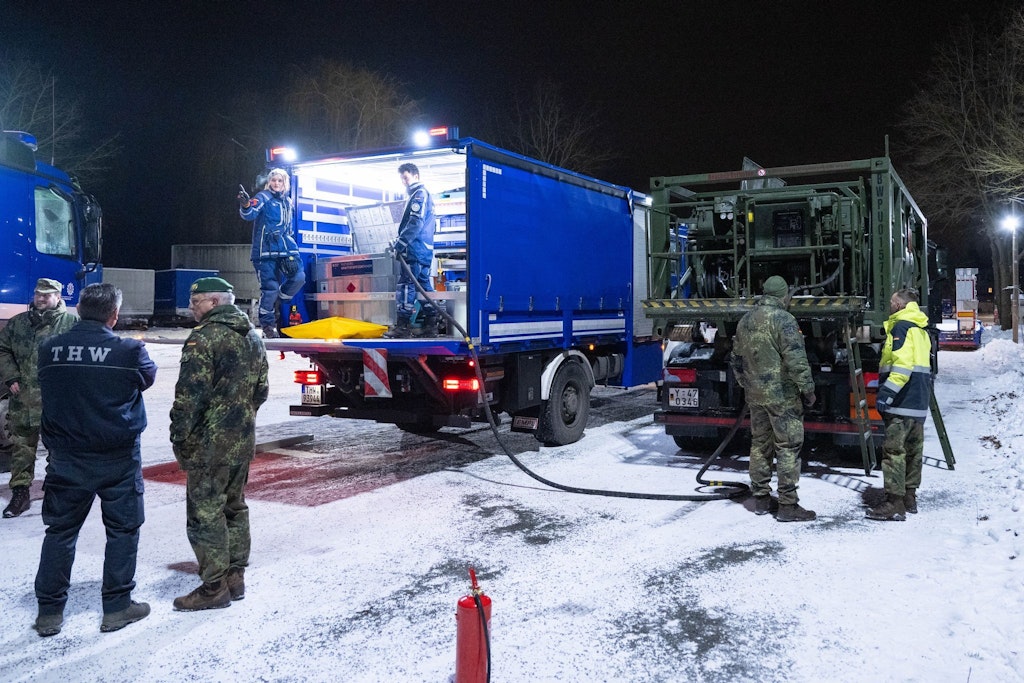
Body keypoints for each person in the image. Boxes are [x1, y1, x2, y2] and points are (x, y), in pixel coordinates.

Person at [32, 283, 157, 636]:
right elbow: (146, 379)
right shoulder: (130, 350)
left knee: (60, 532)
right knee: (122, 531)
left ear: (79, 310)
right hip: (117, 459)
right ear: (113, 316)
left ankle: (50, 613)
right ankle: (117, 607)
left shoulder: (49, 347)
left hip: (66, 458)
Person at [170, 277, 269, 611]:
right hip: (242, 439)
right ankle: (234, 577)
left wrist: (180, 436)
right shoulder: (253, 337)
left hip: (209, 444)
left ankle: (213, 587)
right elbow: (261, 390)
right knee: (234, 506)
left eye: (196, 301)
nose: (191, 307)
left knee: (205, 514)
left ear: (214, 303)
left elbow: (189, 397)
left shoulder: (203, 339)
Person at [731, 275, 817, 522]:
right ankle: (788, 506)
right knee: (788, 447)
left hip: (755, 396)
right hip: (782, 396)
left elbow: (736, 359)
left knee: (760, 444)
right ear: (783, 296)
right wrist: (808, 390)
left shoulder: (745, 321)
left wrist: (746, 385)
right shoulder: (784, 320)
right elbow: (796, 359)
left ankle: (760, 500)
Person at [1, 278, 78, 519]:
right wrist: (10, 376)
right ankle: (20, 492)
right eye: (38, 294)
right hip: (24, 399)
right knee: (22, 448)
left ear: (58, 296)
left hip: (57, 401)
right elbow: (3, 349)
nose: (41, 298)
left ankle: (55, 490)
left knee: (58, 448)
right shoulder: (19, 323)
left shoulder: (72, 323)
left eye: (47, 294)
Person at [867, 288, 933, 521]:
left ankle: (894, 503)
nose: (890, 306)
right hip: (918, 401)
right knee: (914, 451)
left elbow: (902, 367)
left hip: (902, 400)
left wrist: (886, 394)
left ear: (900, 305)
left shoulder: (901, 327)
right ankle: (909, 497)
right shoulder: (920, 328)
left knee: (894, 451)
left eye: (893, 302)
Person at [239, 167, 305, 339]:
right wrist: (246, 204)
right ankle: (268, 325)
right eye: (274, 180)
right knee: (270, 289)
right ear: (269, 182)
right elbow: (249, 213)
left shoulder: (288, 202)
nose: (276, 183)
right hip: (264, 252)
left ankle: (278, 300)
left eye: (280, 181)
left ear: (285, 183)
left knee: (299, 277)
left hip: (283, 249)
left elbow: (288, 229)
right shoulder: (263, 197)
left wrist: (292, 250)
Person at [385, 162, 443, 338]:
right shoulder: (423, 195)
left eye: (406, 177)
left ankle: (402, 327)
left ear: (416, 176)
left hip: (414, 250)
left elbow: (415, 222)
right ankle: (432, 323)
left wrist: (400, 243)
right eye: (402, 178)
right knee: (424, 287)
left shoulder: (419, 195)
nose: (404, 182)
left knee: (406, 286)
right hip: (423, 251)